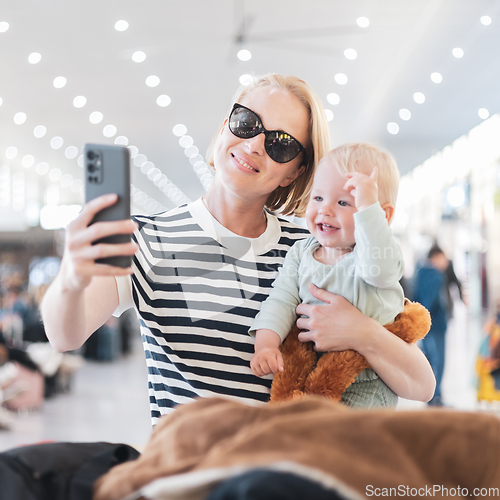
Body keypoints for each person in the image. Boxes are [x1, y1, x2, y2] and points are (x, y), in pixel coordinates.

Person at [41, 73, 435, 426]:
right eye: (246, 122)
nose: (255, 144)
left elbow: (420, 382)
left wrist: (362, 332)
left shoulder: (311, 253)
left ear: (296, 172)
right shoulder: (147, 238)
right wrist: (71, 279)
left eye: (281, 144)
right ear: (224, 126)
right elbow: (65, 335)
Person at [250, 143, 405, 407]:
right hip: (315, 374)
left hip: (367, 381)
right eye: (318, 198)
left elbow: (379, 273)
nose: (325, 210)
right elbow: (281, 300)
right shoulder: (301, 252)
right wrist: (266, 343)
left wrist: (369, 212)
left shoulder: (373, 255)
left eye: (344, 202)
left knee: (340, 443)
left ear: (382, 216)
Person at [412, 243, 449, 406]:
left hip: (423, 324)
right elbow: (431, 299)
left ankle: (430, 395)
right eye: (443, 258)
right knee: (439, 360)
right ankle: (436, 396)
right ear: (435, 258)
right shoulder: (436, 275)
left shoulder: (420, 272)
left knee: (428, 358)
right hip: (437, 324)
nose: (445, 262)